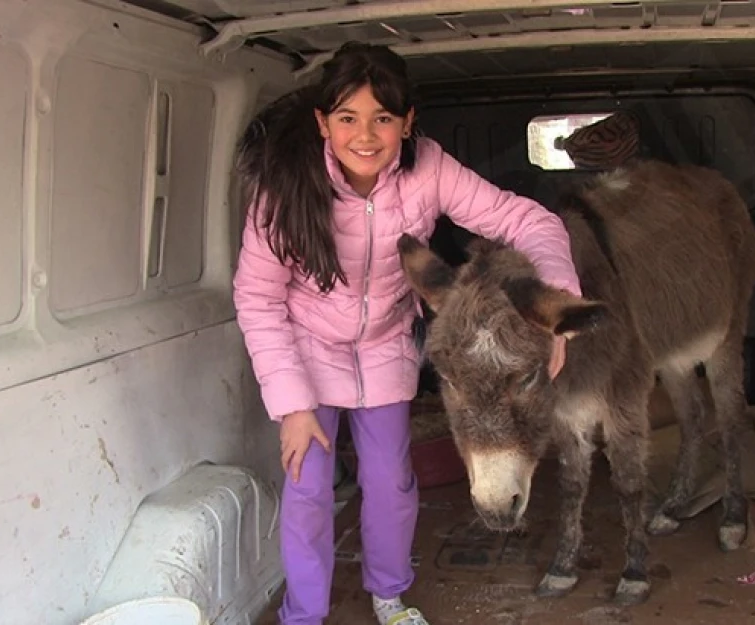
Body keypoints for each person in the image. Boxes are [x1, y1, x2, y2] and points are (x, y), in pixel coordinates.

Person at [232, 41, 581, 625]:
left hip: (385, 347)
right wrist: (293, 406)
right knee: (309, 490)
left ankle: (389, 597)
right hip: (307, 355)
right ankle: (304, 615)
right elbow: (257, 298)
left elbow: (528, 220)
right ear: (323, 123)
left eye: (383, 119)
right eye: (347, 118)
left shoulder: (431, 170)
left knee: (392, 482)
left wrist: (557, 306)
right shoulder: (283, 191)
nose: (365, 136)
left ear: (407, 122)